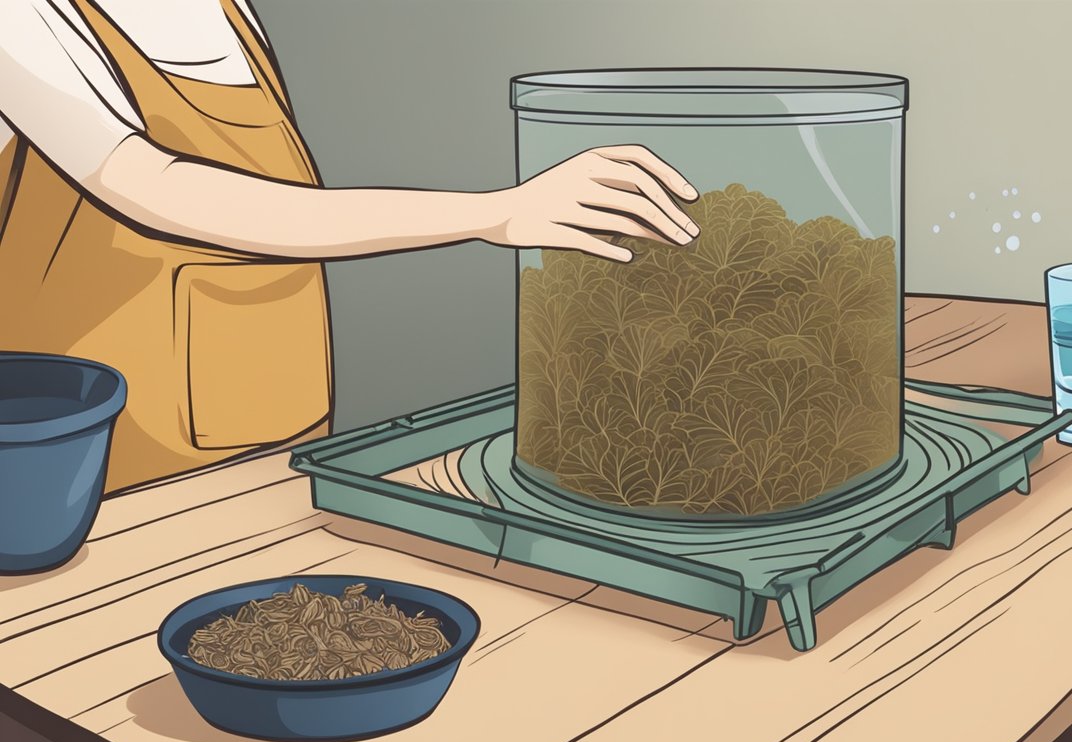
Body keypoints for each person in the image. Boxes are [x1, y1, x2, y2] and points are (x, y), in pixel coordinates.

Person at [0, 0, 700, 494]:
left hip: (275, 412)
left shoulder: (229, 11)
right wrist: (497, 213)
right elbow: (154, 188)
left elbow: (275, 205)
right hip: (98, 448)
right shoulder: (24, 16)